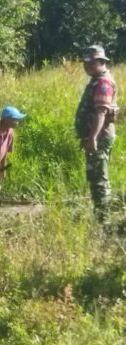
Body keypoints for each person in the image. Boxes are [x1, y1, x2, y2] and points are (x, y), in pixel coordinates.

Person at [75, 45, 119, 224]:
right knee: (94, 177)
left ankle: (104, 221)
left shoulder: (103, 83)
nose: (87, 66)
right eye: (85, 63)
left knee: (99, 179)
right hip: (94, 137)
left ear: (101, 62)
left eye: (91, 63)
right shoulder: (96, 80)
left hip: (99, 138)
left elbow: (101, 113)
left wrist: (92, 137)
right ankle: (100, 217)